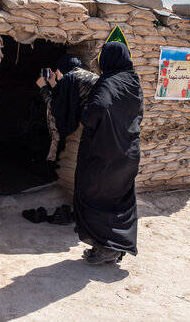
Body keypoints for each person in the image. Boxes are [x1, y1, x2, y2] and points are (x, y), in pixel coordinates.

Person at [74, 42, 143, 265]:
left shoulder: (108, 82)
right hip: (129, 152)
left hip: (106, 154)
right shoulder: (133, 81)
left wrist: (85, 114)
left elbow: (98, 109)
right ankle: (116, 246)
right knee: (120, 200)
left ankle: (105, 248)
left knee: (92, 197)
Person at [36, 54, 99, 160]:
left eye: (58, 68)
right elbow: (67, 97)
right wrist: (53, 83)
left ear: (63, 67)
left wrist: (43, 88)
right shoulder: (83, 74)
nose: (56, 72)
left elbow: (57, 107)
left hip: (94, 122)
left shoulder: (69, 77)